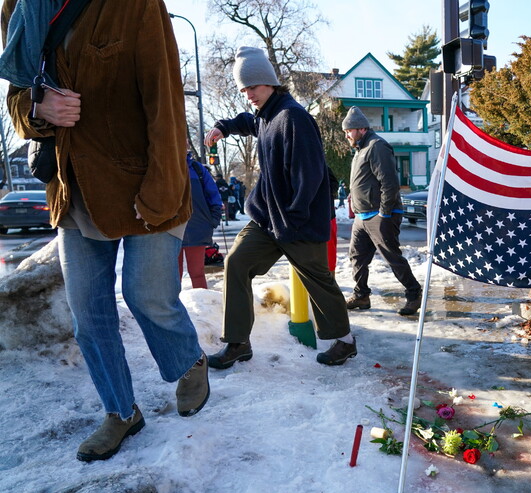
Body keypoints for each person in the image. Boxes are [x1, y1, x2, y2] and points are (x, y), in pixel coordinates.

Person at [0, 0, 210, 461]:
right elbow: (16, 98)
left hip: (145, 179)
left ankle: (188, 359)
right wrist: (38, 107)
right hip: (72, 187)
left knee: (146, 295)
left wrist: (161, 193)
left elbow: (165, 100)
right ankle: (120, 411)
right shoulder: (18, 8)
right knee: (88, 315)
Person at [203, 46, 356, 368]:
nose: (248, 95)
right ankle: (237, 342)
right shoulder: (266, 115)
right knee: (236, 262)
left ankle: (344, 342)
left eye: (252, 87)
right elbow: (250, 122)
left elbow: (310, 174)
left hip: (298, 221)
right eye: (243, 89)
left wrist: (295, 216)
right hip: (266, 218)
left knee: (318, 280)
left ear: (270, 83)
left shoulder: (292, 117)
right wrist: (224, 127)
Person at [342, 106, 422, 316]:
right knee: (357, 257)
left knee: (391, 257)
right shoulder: (360, 149)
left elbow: (389, 182)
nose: (346, 135)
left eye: (349, 131)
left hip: (379, 215)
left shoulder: (377, 146)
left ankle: (414, 294)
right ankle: (361, 295)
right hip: (362, 215)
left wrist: (385, 213)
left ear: (361, 128)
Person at [179, 152, 223, 289]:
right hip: (170, 228)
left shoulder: (197, 169)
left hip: (197, 228)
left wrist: (213, 220)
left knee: (197, 273)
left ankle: (202, 301)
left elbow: (214, 195)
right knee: (173, 275)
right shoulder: (162, 165)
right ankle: (172, 303)